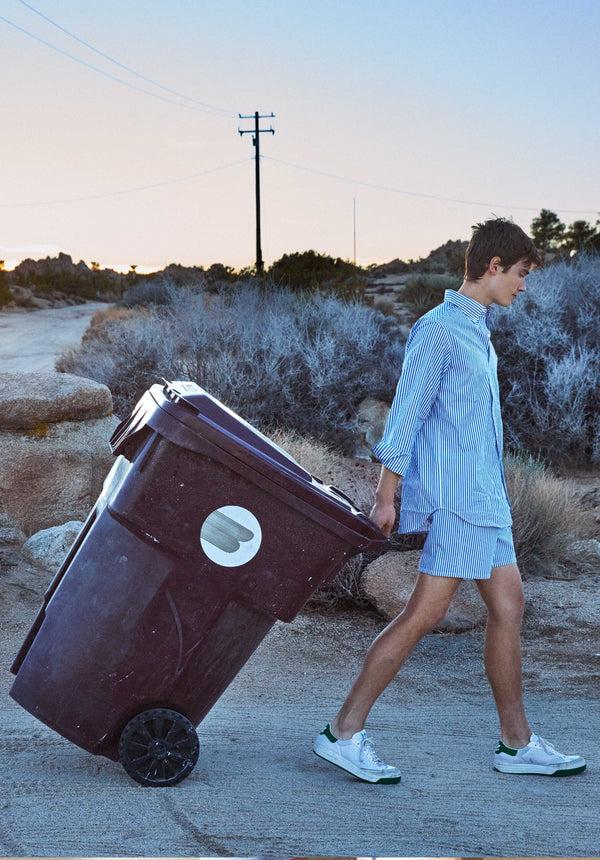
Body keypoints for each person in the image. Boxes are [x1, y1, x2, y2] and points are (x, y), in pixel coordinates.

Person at [312, 217, 586, 783]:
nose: (523, 286)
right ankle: (343, 732)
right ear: (493, 266)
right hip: (458, 501)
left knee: (509, 605)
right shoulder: (438, 330)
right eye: (520, 273)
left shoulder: (477, 331)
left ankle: (516, 744)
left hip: (486, 501)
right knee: (424, 613)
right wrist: (386, 496)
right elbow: (406, 415)